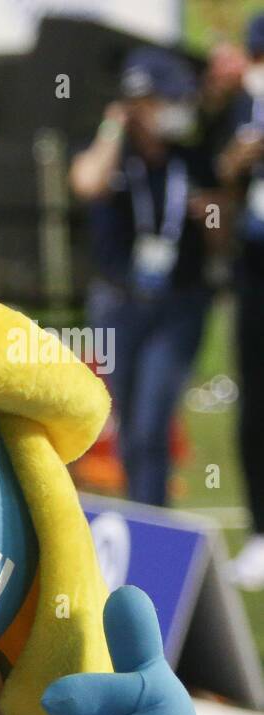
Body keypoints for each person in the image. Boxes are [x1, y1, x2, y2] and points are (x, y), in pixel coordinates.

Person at [70, 48, 218, 507]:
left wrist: (210, 212)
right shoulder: (113, 155)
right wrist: (114, 125)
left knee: (154, 421)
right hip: (118, 304)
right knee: (129, 426)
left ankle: (153, 520)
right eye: (166, 100)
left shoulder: (191, 160)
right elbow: (87, 183)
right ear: (139, 103)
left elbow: (219, 234)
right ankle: (138, 516)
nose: (176, 110)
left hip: (178, 305)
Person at [219, 15, 264, 589]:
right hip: (255, 268)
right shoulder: (237, 108)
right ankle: (261, 529)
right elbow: (217, 180)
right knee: (255, 402)